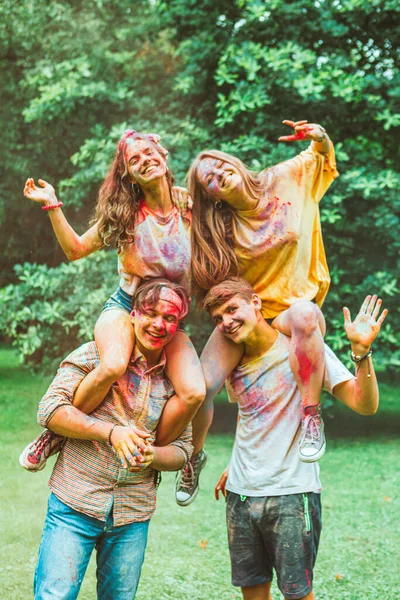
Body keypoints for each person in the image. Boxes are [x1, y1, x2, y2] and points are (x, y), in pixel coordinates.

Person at [20, 129, 205, 472]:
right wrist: (52, 202)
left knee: (195, 392)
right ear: (128, 175)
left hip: (168, 317)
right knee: (113, 365)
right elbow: (75, 250)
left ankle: (151, 453)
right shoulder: (124, 216)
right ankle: (55, 433)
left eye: (149, 153)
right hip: (125, 306)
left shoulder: (190, 207)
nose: (144, 161)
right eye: (134, 160)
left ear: (163, 157)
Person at [175, 119, 338, 506]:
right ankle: (193, 456)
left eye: (219, 166)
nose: (218, 175)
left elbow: (322, 158)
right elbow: (206, 275)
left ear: (233, 163)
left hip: (290, 308)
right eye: (209, 179)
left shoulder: (285, 178)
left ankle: (311, 417)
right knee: (201, 387)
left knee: (304, 315)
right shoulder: (219, 226)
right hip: (249, 311)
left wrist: (322, 137)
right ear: (211, 195)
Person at [207, 277, 385, 600]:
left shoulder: (304, 346)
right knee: (253, 594)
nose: (226, 322)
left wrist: (362, 352)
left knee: (298, 596)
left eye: (232, 309)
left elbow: (365, 403)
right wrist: (235, 465)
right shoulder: (234, 364)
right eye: (218, 318)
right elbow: (251, 417)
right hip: (241, 497)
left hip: (292, 494)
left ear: (256, 302)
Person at [32, 278, 193, 600]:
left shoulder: (176, 379)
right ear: (132, 313)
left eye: (170, 318)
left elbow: (184, 448)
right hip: (75, 502)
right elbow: (50, 411)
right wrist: (111, 432)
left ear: (178, 325)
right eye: (151, 313)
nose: (159, 324)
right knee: (55, 596)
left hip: (133, 514)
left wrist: (154, 456)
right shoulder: (96, 354)